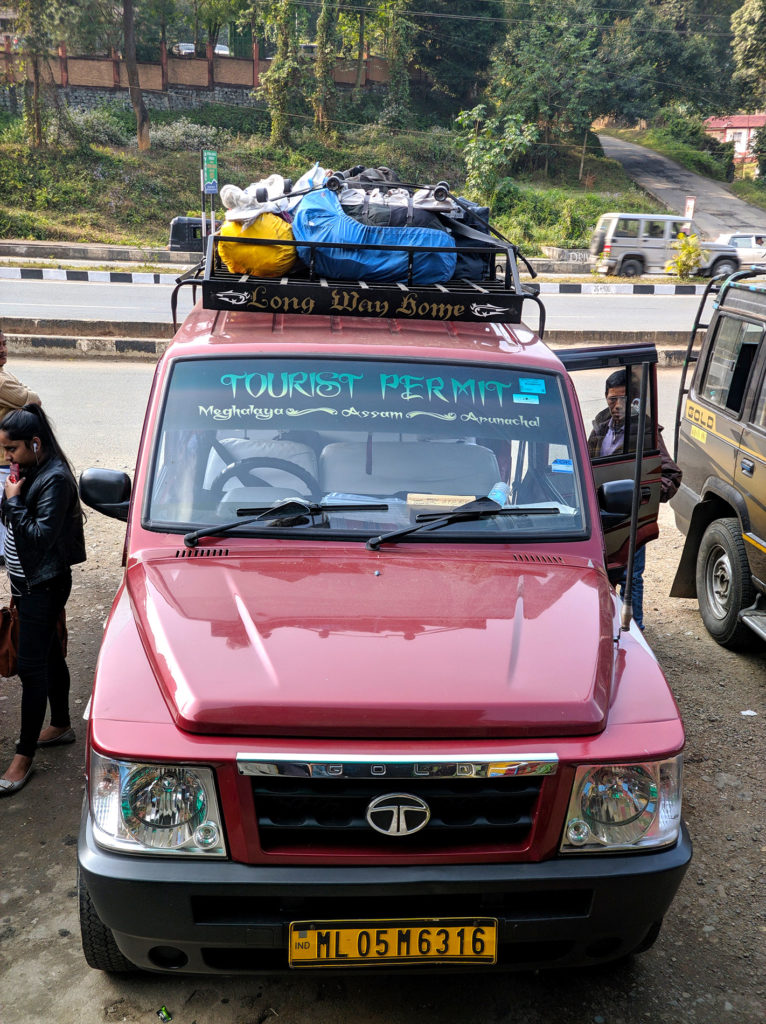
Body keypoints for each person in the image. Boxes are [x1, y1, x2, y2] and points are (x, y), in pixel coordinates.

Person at [0, 404, 86, 796]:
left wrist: (15, 500)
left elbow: (38, 536)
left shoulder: (54, 480)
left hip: (43, 585)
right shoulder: (29, 470)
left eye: (12, 449)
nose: (7, 457)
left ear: (35, 443)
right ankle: (63, 724)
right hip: (28, 582)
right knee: (49, 654)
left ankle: (23, 756)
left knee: (31, 668)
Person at [588, 369, 682, 630]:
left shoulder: (646, 432)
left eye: (622, 400)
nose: (616, 406)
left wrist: (643, 497)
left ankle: (633, 631)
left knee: (631, 579)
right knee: (600, 575)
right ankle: (602, 628)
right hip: (600, 519)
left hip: (631, 521)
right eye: (611, 399)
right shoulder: (599, 427)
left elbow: (671, 475)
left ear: (635, 400)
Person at [0, 326, 42, 563]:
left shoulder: (5, 375)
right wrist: (25, 393)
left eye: (4, 343)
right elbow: (34, 401)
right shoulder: (3, 382)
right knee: (10, 509)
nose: (3, 349)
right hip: (5, 461)